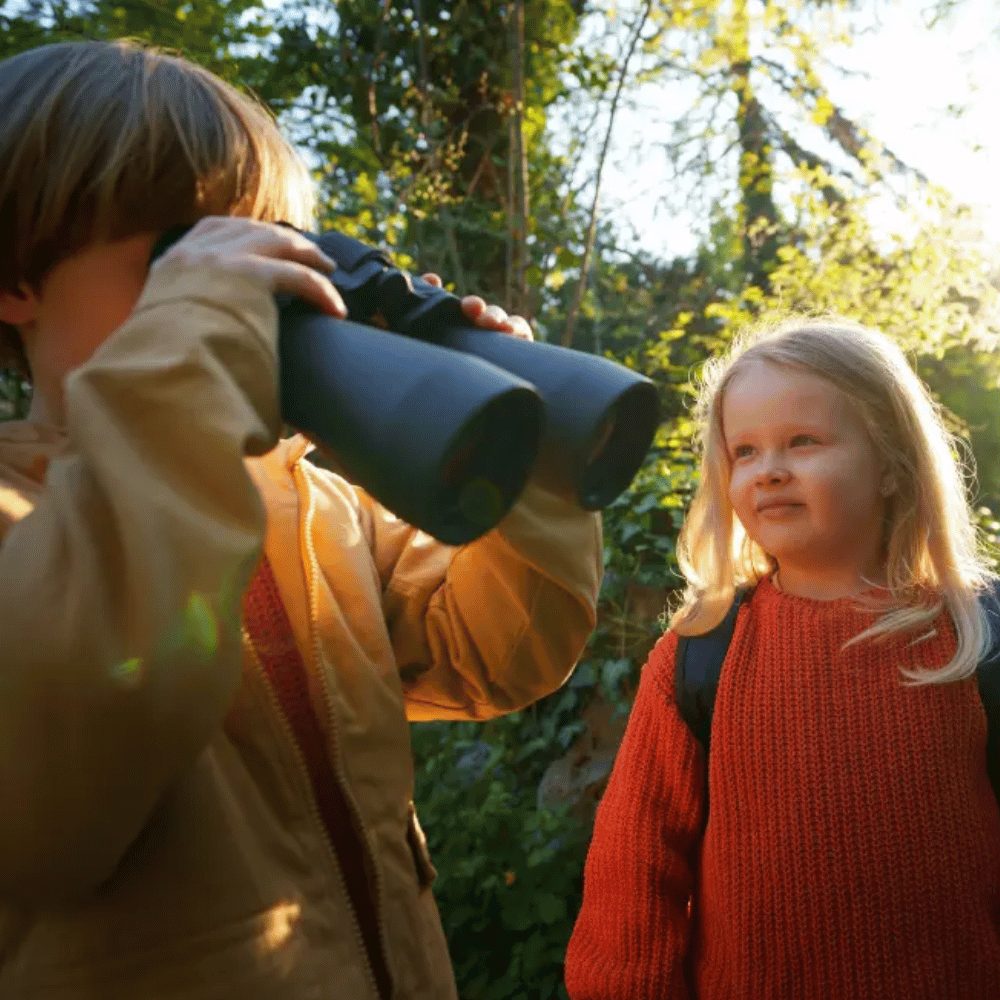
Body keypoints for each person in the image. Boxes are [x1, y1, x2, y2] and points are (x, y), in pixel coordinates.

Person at [0, 40, 602, 1000]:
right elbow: (49, 797)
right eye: (186, 252)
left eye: (266, 249)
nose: (250, 292)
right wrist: (183, 379)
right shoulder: (20, 525)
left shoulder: (317, 505)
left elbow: (495, 651)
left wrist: (519, 455)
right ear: (17, 276)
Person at [564, 317, 1000, 1000]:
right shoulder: (701, 652)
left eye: (803, 442)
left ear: (891, 463)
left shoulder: (976, 637)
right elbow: (635, 864)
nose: (770, 471)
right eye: (745, 451)